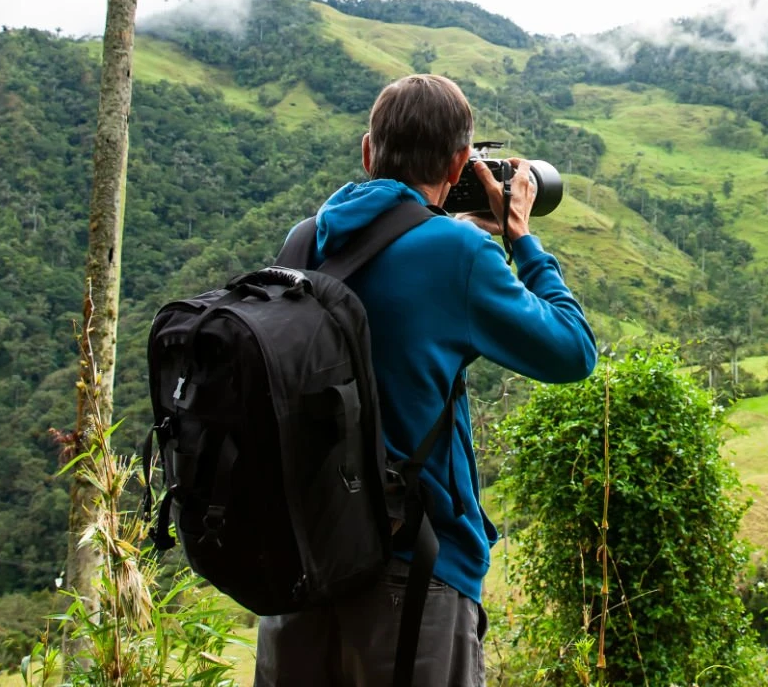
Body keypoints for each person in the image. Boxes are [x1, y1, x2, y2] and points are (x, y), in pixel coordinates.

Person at [254, 73, 597, 687]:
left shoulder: (303, 240)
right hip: (411, 568)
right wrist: (520, 237)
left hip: (301, 561)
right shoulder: (456, 255)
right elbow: (572, 353)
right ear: (461, 160)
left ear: (367, 151)